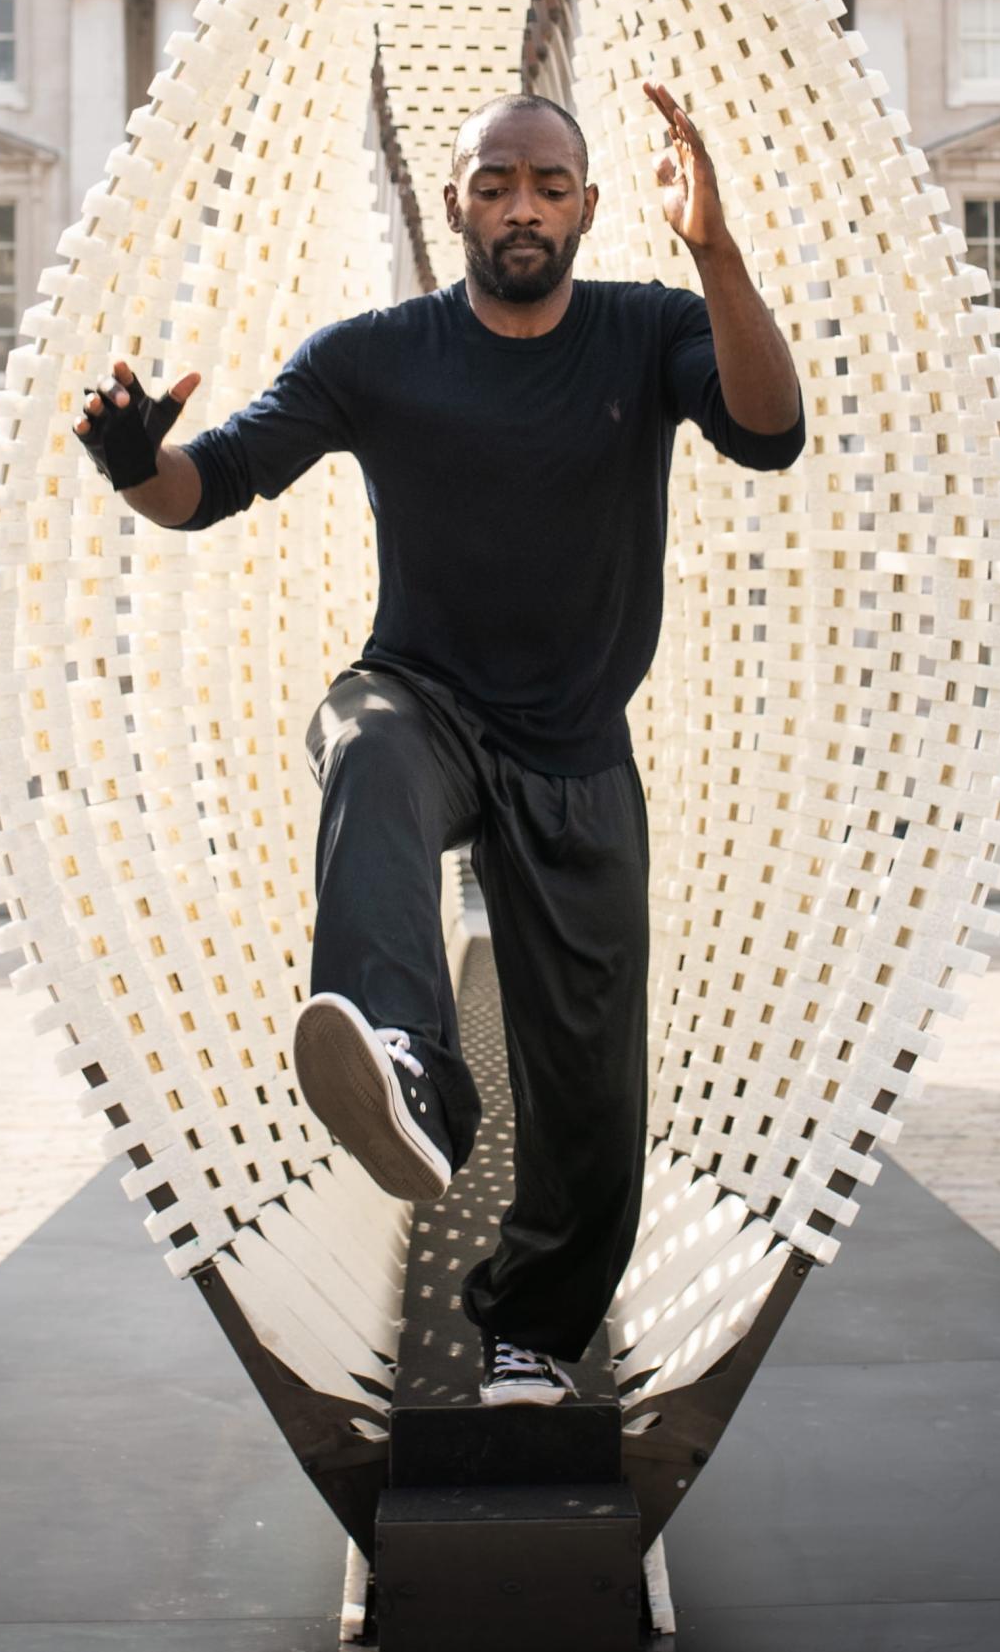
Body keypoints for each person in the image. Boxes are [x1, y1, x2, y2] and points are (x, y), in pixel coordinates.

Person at [73, 82, 805, 1407]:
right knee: (364, 735)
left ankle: (531, 1326)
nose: (521, 204)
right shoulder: (376, 353)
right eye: (494, 182)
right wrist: (138, 463)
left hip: (578, 741)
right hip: (429, 702)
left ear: (586, 204)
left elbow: (769, 428)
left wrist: (716, 250)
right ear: (458, 201)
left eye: (549, 183)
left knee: (589, 1083)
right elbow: (217, 480)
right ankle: (409, 1055)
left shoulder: (650, 331)